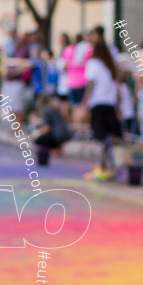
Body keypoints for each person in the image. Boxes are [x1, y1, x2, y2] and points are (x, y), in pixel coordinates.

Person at [80, 36, 122, 181]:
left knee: (100, 136)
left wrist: (85, 102)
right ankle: (110, 165)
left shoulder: (93, 63)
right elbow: (115, 86)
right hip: (109, 103)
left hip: (97, 102)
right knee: (112, 136)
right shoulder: (110, 65)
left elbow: (91, 83)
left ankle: (103, 165)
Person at [31, 92, 71, 165]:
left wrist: (36, 133)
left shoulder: (45, 110)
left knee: (39, 140)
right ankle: (57, 149)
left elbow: (47, 128)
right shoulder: (53, 108)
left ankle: (46, 156)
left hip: (58, 135)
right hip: (65, 133)